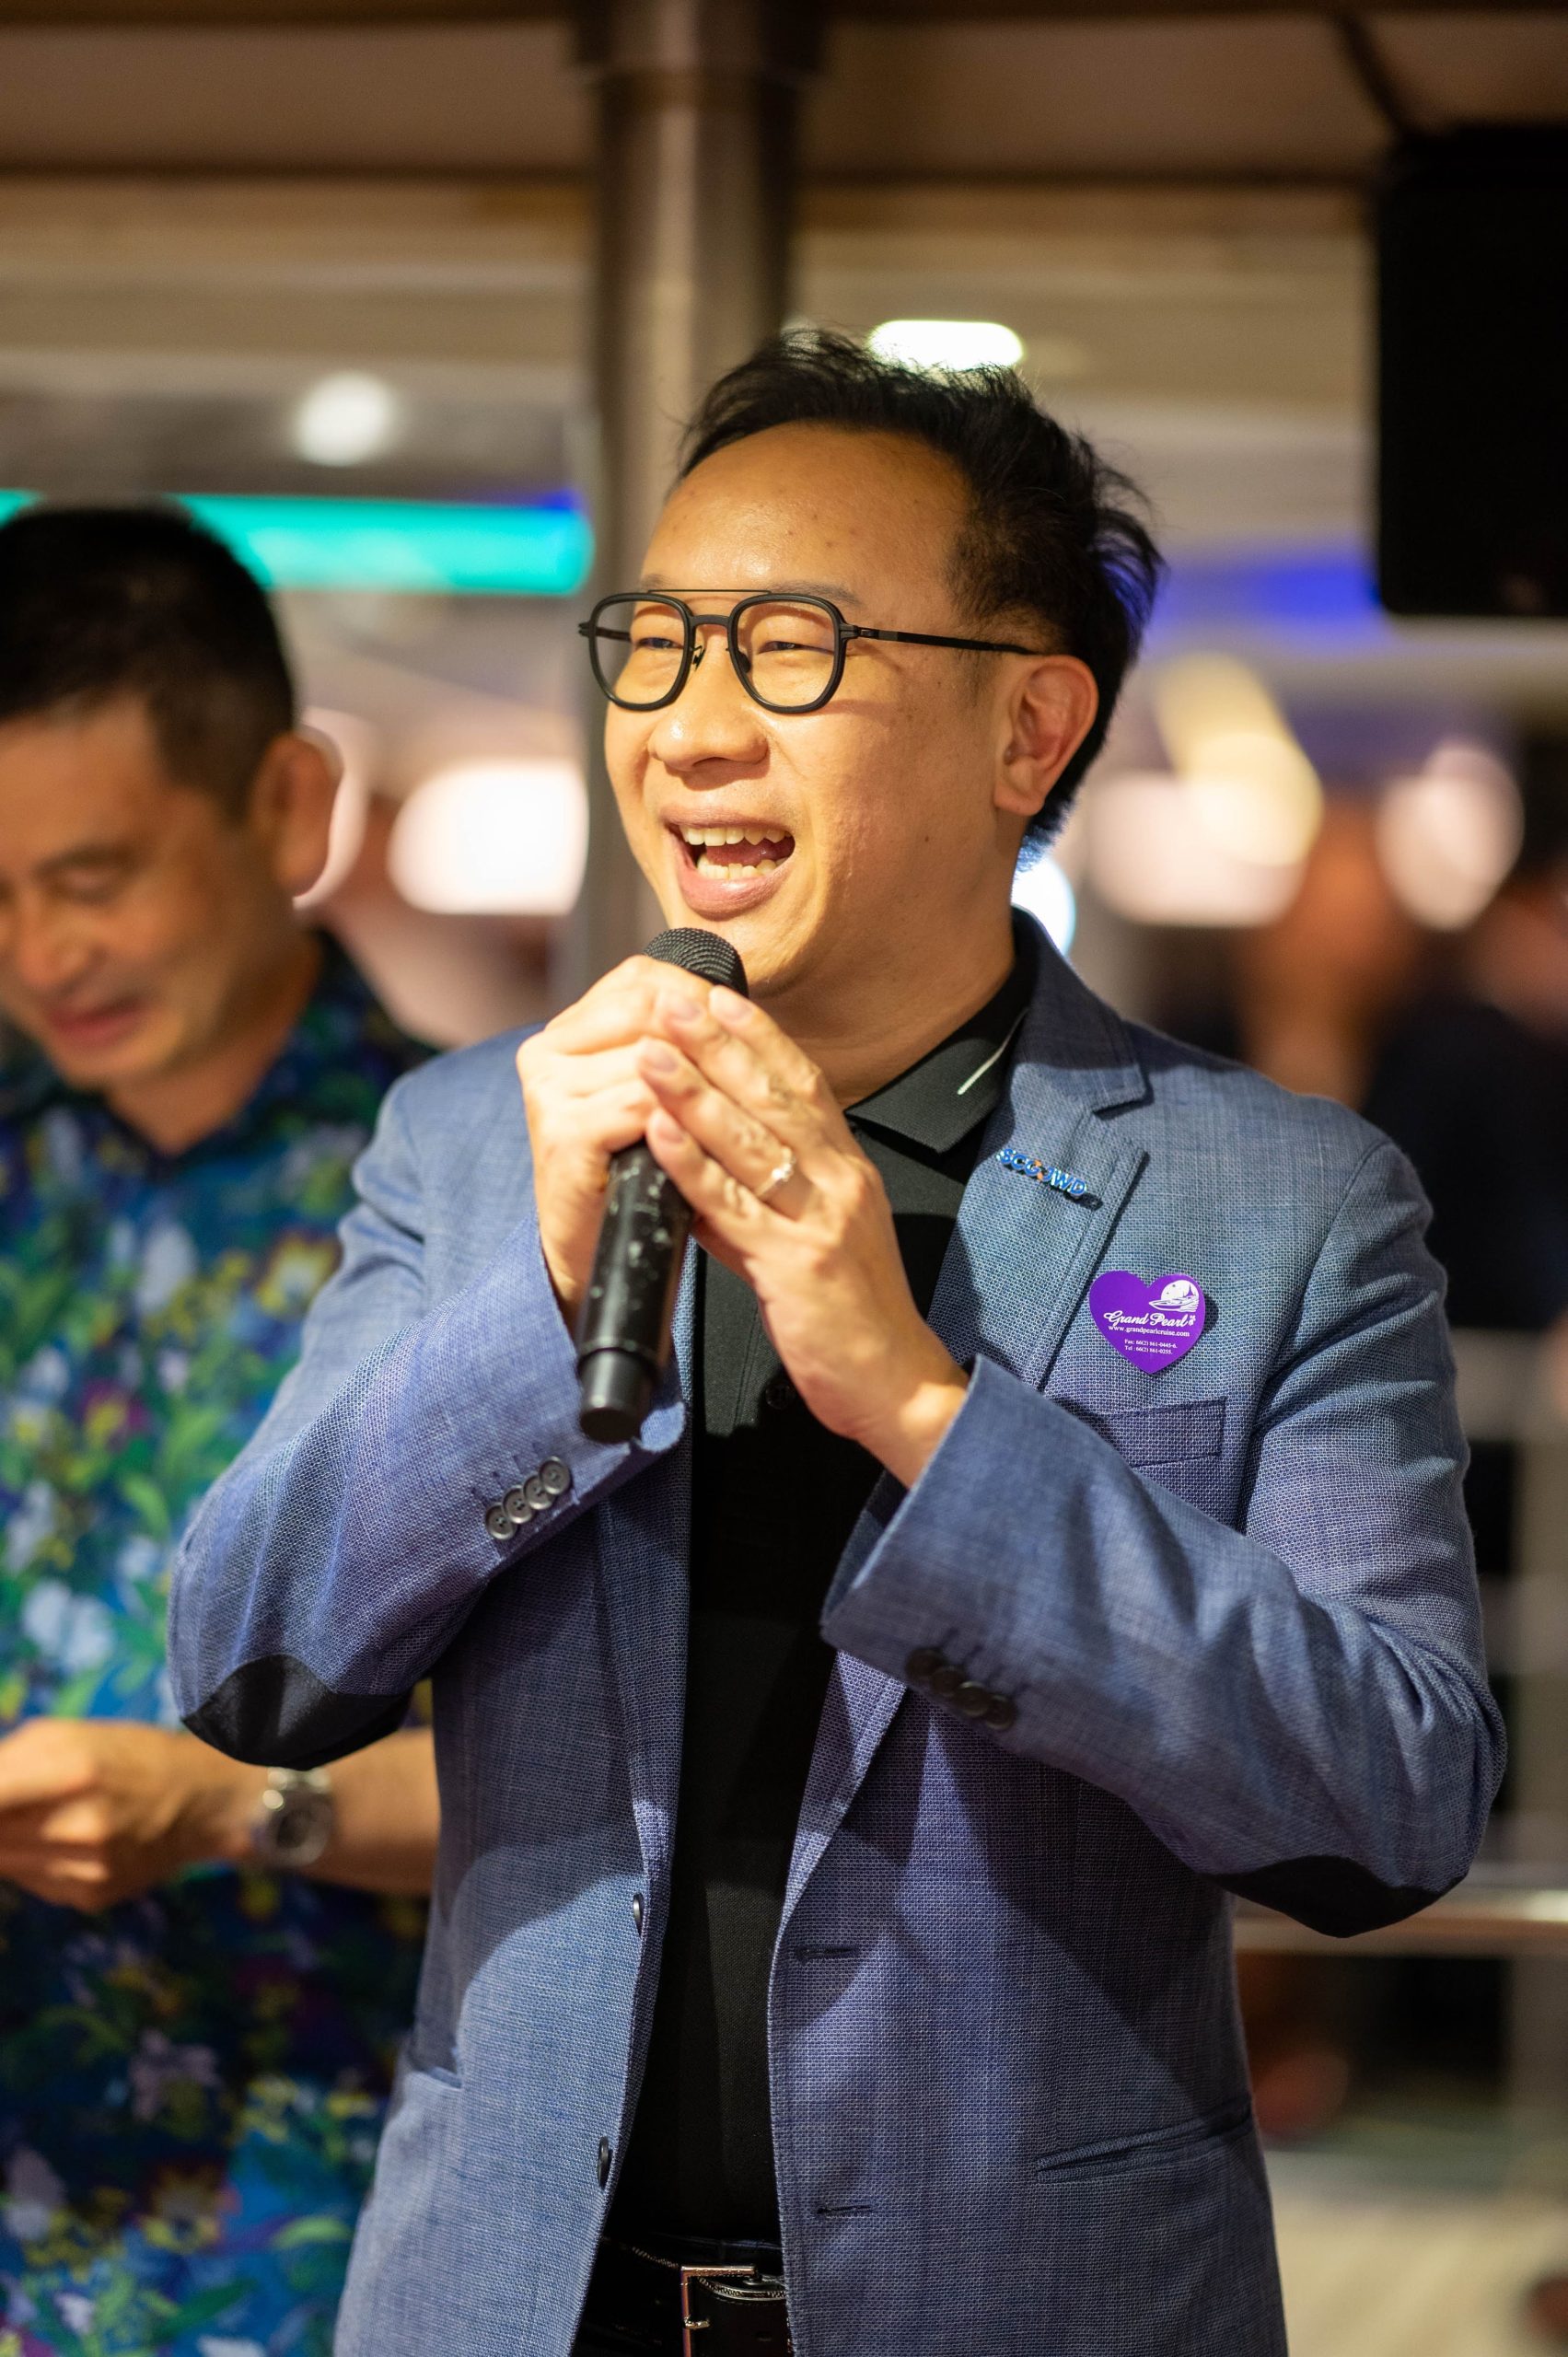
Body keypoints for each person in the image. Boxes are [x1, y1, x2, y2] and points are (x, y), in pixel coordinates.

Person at [168, 331, 1504, 2357]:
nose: (691, 727)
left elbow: (1394, 1798)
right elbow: (247, 1658)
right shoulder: (473, 1137)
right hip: (515, 2298)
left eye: (791, 648)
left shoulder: (1283, 1200)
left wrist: (924, 1408)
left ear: (1029, 727)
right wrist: (541, 1307)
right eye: (655, 646)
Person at [0, 505, 439, 2357]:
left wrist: (232, 1803)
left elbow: (621, 1780)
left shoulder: (487, 1211)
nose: (42, 954)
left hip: (292, 2242)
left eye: (92, 877)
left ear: (286, 805)